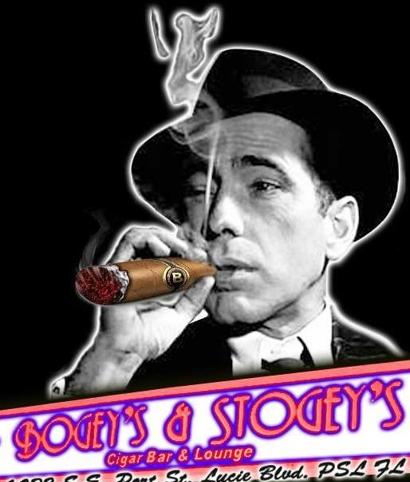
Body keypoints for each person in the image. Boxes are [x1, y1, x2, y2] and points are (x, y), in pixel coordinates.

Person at [50, 48, 403, 397]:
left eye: (263, 186)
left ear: (338, 226)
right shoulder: (138, 377)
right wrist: (114, 361)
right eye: (199, 191)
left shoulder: (396, 380)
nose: (218, 218)